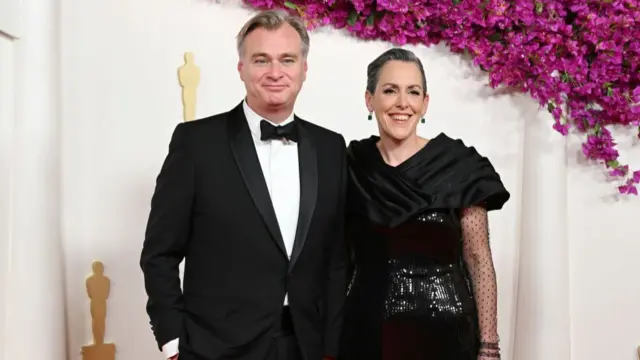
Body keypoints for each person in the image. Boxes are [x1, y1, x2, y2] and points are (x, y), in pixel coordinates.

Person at [140, 10, 348, 360]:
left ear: (304, 69)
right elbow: (159, 253)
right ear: (241, 68)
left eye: (287, 59)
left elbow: (337, 258)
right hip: (215, 348)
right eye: (261, 60)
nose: (275, 72)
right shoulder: (196, 143)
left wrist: (331, 344)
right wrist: (173, 340)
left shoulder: (331, 148)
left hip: (306, 345)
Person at [339, 48, 510, 360]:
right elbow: (338, 261)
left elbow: (478, 258)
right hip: (366, 335)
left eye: (413, 92)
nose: (402, 103)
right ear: (369, 99)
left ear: (424, 103)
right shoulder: (351, 166)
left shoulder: (460, 166)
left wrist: (488, 347)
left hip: (447, 334)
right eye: (390, 90)